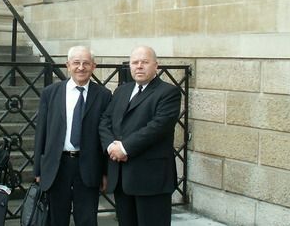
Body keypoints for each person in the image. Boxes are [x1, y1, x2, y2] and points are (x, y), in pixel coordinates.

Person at [99, 46, 182, 226]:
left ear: (156, 66)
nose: (139, 66)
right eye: (135, 62)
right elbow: (105, 120)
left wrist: (124, 147)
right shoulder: (122, 91)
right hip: (122, 176)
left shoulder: (168, 92)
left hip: (151, 178)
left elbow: (158, 127)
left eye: (144, 62)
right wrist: (110, 147)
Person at [33, 46, 112, 226]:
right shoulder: (50, 93)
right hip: (57, 165)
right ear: (68, 65)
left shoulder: (104, 95)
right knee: (56, 218)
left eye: (86, 63)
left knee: (87, 219)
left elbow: (106, 135)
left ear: (94, 66)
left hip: (88, 166)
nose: (81, 67)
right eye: (76, 63)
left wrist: (106, 172)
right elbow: (42, 132)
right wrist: (38, 169)